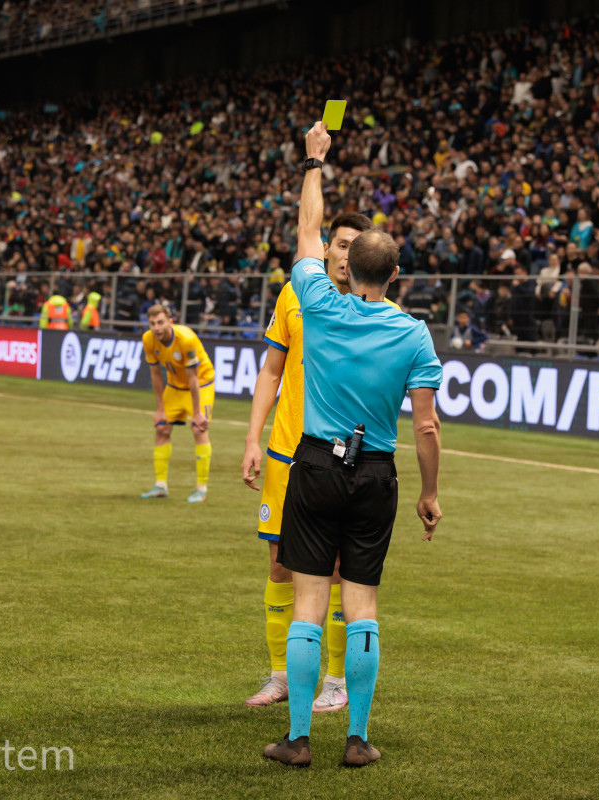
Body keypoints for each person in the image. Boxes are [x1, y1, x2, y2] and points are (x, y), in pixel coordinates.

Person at [261, 122, 442, 769]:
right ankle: (359, 739)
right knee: (361, 603)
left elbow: (307, 234)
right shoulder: (415, 336)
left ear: (349, 268)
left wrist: (315, 161)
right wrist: (429, 493)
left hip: (314, 466)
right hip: (376, 472)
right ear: (395, 273)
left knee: (309, 602)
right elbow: (426, 427)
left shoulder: (319, 303)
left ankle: (300, 738)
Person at [242, 211, 373, 711]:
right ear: (325, 249)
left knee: (340, 572)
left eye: (355, 248)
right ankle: (280, 676)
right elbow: (271, 370)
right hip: (285, 453)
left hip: (342, 461)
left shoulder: (375, 305)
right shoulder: (295, 294)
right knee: (279, 567)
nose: (346, 255)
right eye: (339, 245)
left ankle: (335, 681)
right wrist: (253, 439)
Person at [140, 305, 214, 503]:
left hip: (201, 383)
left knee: (199, 429)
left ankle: (201, 487)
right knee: (161, 428)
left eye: (161, 322)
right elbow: (155, 374)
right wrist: (160, 410)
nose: (157, 328)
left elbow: (193, 379)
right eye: (153, 323)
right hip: (174, 386)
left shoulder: (186, 339)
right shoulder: (148, 339)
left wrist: (197, 413)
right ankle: (160, 485)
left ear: (170, 322)